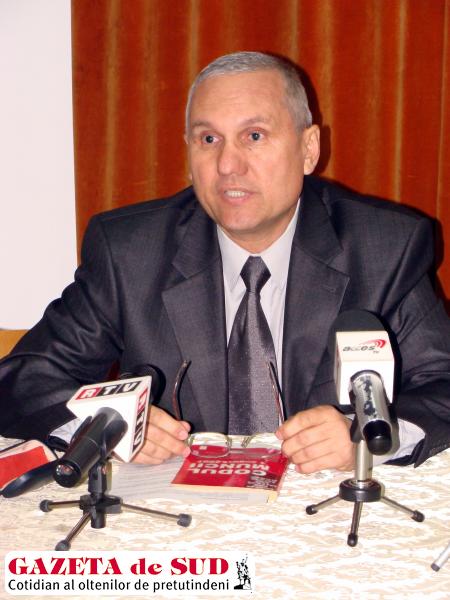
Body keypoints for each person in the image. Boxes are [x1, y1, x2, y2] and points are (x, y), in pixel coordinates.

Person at [1, 51, 450, 475]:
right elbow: (22, 381)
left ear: (309, 148)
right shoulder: (129, 252)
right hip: (177, 510)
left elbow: (443, 386)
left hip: (322, 509)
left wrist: (366, 433)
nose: (228, 165)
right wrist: (107, 420)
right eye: (209, 139)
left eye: (254, 136)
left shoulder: (385, 248)